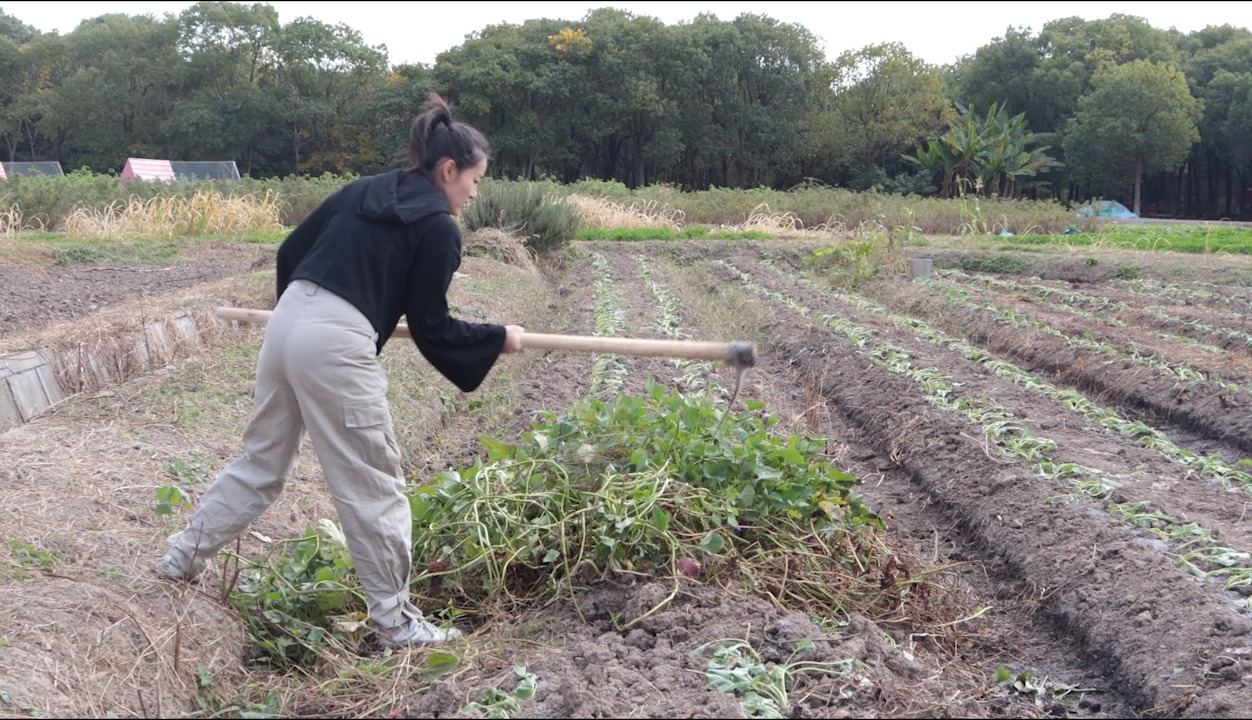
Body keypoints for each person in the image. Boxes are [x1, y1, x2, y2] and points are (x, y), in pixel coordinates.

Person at [157, 93, 525, 648]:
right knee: (373, 485)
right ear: (448, 170)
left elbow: (290, 252)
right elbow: (432, 325)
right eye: (475, 180)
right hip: (335, 344)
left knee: (261, 463)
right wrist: (499, 338)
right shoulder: (439, 229)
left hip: (286, 325)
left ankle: (180, 559)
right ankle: (397, 624)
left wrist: (302, 321)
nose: (475, 193)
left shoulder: (363, 190)